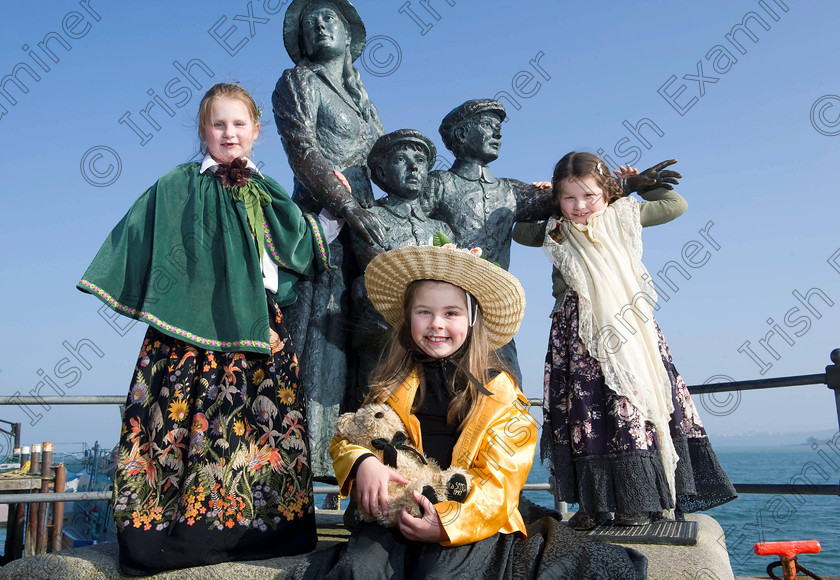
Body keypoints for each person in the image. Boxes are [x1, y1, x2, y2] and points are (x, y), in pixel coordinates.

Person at [77, 83, 332, 574]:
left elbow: (292, 240)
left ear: (256, 131)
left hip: (255, 327)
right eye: (218, 124)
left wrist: (329, 213)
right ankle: (172, 541)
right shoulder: (175, 185)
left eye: (239, 124)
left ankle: (263, 534)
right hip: (183, 332)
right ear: (203, 131)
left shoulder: (264, 187)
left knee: (257, 431)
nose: (229, 132)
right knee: (176, 426)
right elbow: (137, 229)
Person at [294, 243, 647, 579]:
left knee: (443, 575)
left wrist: (447, 523)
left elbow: (502, 477)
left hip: (467, 509)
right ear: (408, 318)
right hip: (398, 509)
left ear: (472, 319)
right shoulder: (391, 382)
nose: (437, 324)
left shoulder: (499, 391)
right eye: (424, 312)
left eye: (451, 313)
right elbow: (351, 435)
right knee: (362, 571)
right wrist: (361, 462)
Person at [516, 152, 736, 530]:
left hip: (627, 329)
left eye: (590, 196)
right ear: (558, 199)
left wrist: (637, 188)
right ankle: (594, 503)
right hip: (577, 330)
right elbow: (519, 230)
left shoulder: (622, 215)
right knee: (582, 414)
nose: (580, 206)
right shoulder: (554, 228)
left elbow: (675, 205)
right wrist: (540, 199)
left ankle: (638, 502)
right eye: (569, 198)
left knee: (629, 405)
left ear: (605, 193)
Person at [272, 0, 386, 481]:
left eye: (329, 19)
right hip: (323, 228)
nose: (319, 26)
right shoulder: (297, 82)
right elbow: (303, 153)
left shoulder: (363, 99)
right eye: (310, 22)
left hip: (368, 231)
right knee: (316, 345)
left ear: (348, 34)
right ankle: (300, 466)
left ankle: (364, 464)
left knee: (367, 340)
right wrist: (344, 207)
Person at [348, 129, 454, 402]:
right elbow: (377, 274)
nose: (413, 167)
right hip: (384, 343)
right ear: (381, 174)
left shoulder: (441, 229)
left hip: (433, 343)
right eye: (401, 159)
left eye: (420, 160)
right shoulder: (371, 219)